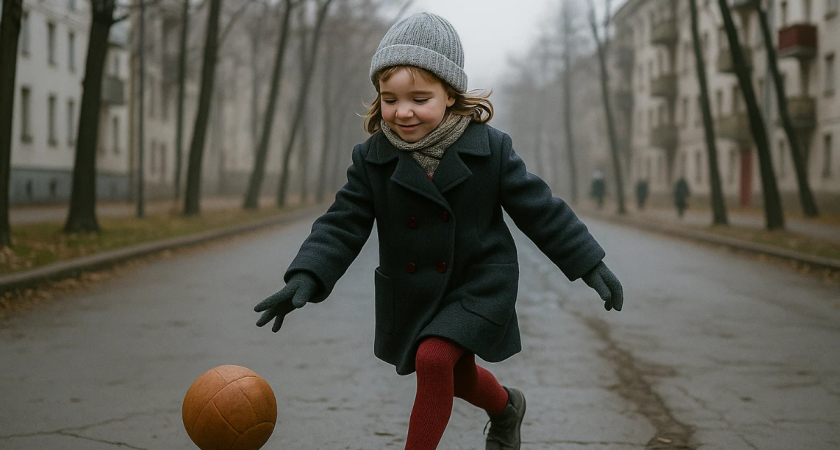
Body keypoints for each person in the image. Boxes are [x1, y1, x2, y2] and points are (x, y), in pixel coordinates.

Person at [253, 12, 624, 450]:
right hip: (414, 289)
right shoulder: (372, 158)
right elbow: (342, 222)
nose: (402, 111)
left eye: (419, 98)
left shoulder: (491, 149)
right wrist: (307, 275)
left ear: (450, 95)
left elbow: (541, 209)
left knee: (433, 361)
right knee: (456, 375)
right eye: (389, 98)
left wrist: (588, 263)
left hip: (479, 282)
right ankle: (506, 408)